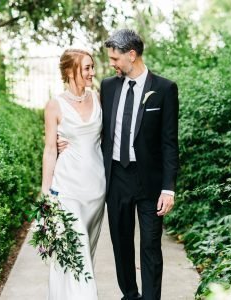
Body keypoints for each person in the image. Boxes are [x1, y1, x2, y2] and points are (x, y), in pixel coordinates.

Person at [100, 29, 179, 300]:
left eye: (115, 58)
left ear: (131, 55)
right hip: (117, 178)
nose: (112, 64)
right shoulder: (108, 87)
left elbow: (169, 142)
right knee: (121, 244)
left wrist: (168, 188)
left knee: (150, 246)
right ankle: (130, 296)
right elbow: (95, 129)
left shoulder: (165, 89)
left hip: (149, 182)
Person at [41, 49, 105, 300]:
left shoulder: (99, 98)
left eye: (92, 67)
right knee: (75, 252)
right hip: (67, 189)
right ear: (70, 72)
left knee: (84, 254)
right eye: (87, 68)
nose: (92, 72)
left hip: (96, 190)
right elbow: (49, 149)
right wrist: (45, 192)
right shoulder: (54, 106)